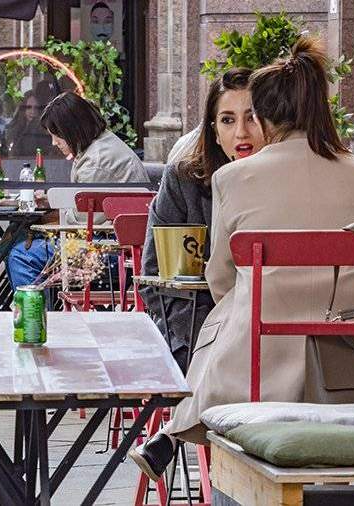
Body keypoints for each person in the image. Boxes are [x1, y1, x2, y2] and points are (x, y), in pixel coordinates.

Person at [131, 36, 354, 479]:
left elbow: (219, 279)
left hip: (255, 365)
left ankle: (177, 429)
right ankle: (173, 432)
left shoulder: (234, 178)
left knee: (233, 306)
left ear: (265, 119)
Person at [140, 68, 265, 370]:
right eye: (228, 120)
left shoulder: (286, 182)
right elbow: (154, 277)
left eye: (252, 117)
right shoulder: (183, 180)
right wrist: (207, 336)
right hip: (198, 332)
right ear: (214, 131)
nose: (241, 132)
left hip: (274, 334)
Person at [6, 91, 149, 289]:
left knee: (22, 255)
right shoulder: (101, 147)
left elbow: (81, 221)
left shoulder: (96, 161)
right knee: (28, 245)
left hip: (111, 250)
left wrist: (55, 208)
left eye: (57, 136)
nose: (54, 142)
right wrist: (53, 202)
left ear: (71, 130)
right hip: (121, 244)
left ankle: (35, 309)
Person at [6, 84, 58, 157]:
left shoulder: (44, 129)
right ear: (23, 109)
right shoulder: (14, 127)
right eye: (29, 107)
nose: (32, 111)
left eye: (36, 108)